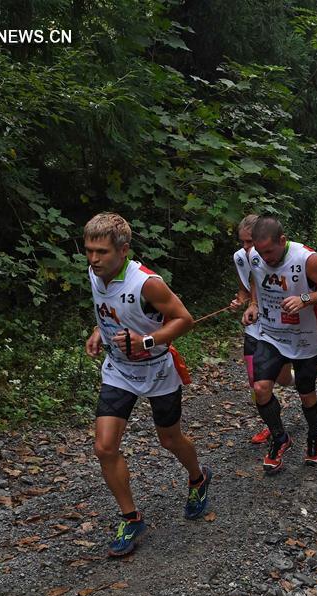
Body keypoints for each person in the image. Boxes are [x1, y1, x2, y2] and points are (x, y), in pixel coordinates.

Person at [84, 213, 211, 557]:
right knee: (104, 447)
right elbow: (108, 310)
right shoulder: (95, 275)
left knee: (169, 439)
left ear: (123, 250)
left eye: (102, 252)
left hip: (157, 369)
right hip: (119, 370)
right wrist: (100, 330)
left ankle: (198, 477)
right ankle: (131, 517)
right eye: (89, 251)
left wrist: (148, 341)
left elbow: (184, 320)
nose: (93, 259)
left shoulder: (147, 283)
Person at [241, 216, 317, 474]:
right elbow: (255, 278)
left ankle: (314, 437)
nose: (265, 258)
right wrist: (253, 304)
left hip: (303, 337)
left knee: (306, 393)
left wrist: (306, 298)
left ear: (283, 241)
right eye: (260, 251)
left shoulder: (305, 258)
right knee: (261, 388)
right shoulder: (255, 255)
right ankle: (279, 438)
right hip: (270, 334)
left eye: (270, 251)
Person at [230, 214, 295, 444]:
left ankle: (299, 383)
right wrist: (241, 301)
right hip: (254, 328)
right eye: (243, 242)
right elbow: (244, 289)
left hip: (278, 327)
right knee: (257, 384)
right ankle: (275, 428)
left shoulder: (272, 256)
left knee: (284, 379)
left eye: (251, 242)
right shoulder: (240, 257)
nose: (247, 248)